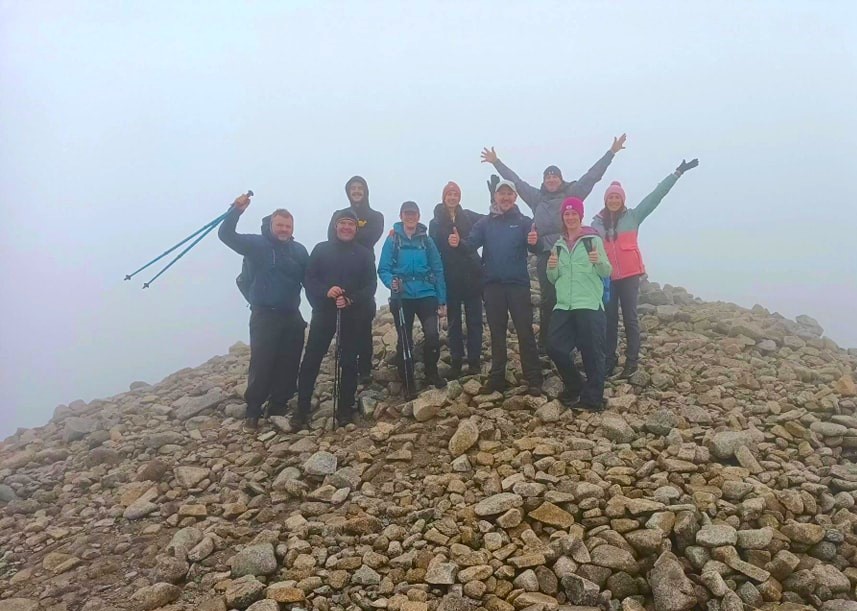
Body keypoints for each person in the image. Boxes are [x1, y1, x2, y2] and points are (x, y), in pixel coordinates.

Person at [480, 135, 626, 353]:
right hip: (546, 254)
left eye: (555, 176)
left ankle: (576, 341)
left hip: (573, 250)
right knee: (549, 300)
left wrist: (611, 153)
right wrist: (497, 162)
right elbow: (516, 182)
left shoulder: (572, 193)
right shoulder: (536, 198)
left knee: (574, 297)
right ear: (544, 181)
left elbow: (591, 177)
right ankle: (547, 343)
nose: (551, 180)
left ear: (561, 179)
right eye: (548, 177)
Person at [592, 158, 699, 378]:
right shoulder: (596, 223)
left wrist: (677, 173)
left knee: (630, 318)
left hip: (630, 275)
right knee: (609, 320)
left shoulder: (634, 216)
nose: (613, 200)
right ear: (605, 200)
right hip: (608, 277)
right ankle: (609, 361)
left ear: (622, 200)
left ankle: (631, 362)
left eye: (617, 197)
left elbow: (655, 196)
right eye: (610, 197)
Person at [218, 192, 309, 432]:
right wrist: (235, 210)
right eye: (279, 224)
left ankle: (278, 405)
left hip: (291, 314)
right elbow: (225, 235)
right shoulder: (256, 244)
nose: (284, 229)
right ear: (271, 224)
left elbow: (311, 279)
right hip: (264, 314)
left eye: (288, 226)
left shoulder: (299, 251)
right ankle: (253, 411)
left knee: (289, 362)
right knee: (262, 362)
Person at [450, 180, 542, 396]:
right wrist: (458, 242)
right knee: (497, 334)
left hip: (518, 285)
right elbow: (471, 244)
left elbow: (536, 247)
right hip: (492, 286)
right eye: (502, 193)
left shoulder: (524, 222)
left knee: (525, 332)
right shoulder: (484, 223)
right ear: (496, 197)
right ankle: (497, 377)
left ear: (515, 197)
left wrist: (535, 242)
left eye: (510, 194)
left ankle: (534, 378)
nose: (506, 197)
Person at [294, 209, 378, 430]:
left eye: (351, 224)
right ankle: (301, 409)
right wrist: (326, 292)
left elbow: (371, 286)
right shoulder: (321, 249)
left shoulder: (364, 254)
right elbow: (309, 279)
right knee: (312, 359)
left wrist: (350, 299)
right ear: (335, 226)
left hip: (352, 313)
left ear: (355, 229)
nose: (347, 227)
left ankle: (345, 410)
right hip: (324, 312)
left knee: (349, 361)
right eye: (342, 223)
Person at [546, 197, 613, 411]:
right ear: (563, 217)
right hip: (564, 304)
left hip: (589, 303)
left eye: (574, 213)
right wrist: (552, 266)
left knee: (592, 353)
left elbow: (606, 271)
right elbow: (552, 277)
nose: (570, 217)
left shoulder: (592, 241)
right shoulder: (558, 245)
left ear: (580, 216)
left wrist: (598, 260)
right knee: (554, 347)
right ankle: (575, 385)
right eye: (567, 214)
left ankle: (592, 400)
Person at [378, 201, 447, 397]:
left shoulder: (426, 240)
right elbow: (383, 268)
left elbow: (438, 268)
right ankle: (408, 381)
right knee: (405, 339)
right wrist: (391, 281)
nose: (410, 217)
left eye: (413, 213)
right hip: (402, 296)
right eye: (406, 213)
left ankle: (431, 373)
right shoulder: (393, 240)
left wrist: (442, 300)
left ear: (418, 216)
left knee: (433, 335)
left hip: (427, 293)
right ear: (401, 216)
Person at [327, 176, 385, 385]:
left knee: (364, 320)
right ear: (348, 191)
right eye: (353, 188)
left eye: (360, 188)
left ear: (366, 191)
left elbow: (371, 237)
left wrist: (347, 235)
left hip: (364, 273)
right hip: (341, 273)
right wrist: (349, 236)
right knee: (343, 322)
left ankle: (365, 368)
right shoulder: (338, 214)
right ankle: (346, 365)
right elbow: (331, 240)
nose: (357, 191)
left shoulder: (376, 216)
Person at [428, 181, 485, 379]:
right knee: (453, 322)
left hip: (472, 276)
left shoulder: (469, 216)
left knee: (475, 321)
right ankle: (456, 361)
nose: (452, 197)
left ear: (459, 197)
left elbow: (491, 220)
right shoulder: (435, 222)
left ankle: (475, 361)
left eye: (455, 194)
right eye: (449, 194)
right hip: (449, 277)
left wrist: (494, 195)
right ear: (444, 197)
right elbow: (431, 249)